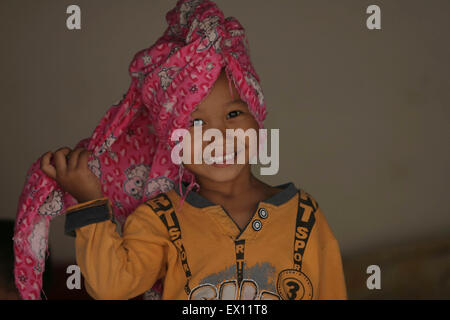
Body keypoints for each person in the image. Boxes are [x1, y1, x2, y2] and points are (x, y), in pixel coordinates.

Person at [39, 0, 347, 300]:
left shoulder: (304, 216)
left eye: (233, 114)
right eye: (195, 124)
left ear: (257, 114)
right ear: (172, 140)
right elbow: (111, 287)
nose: (218, 136)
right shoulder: (160, 220)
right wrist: (90, 203)